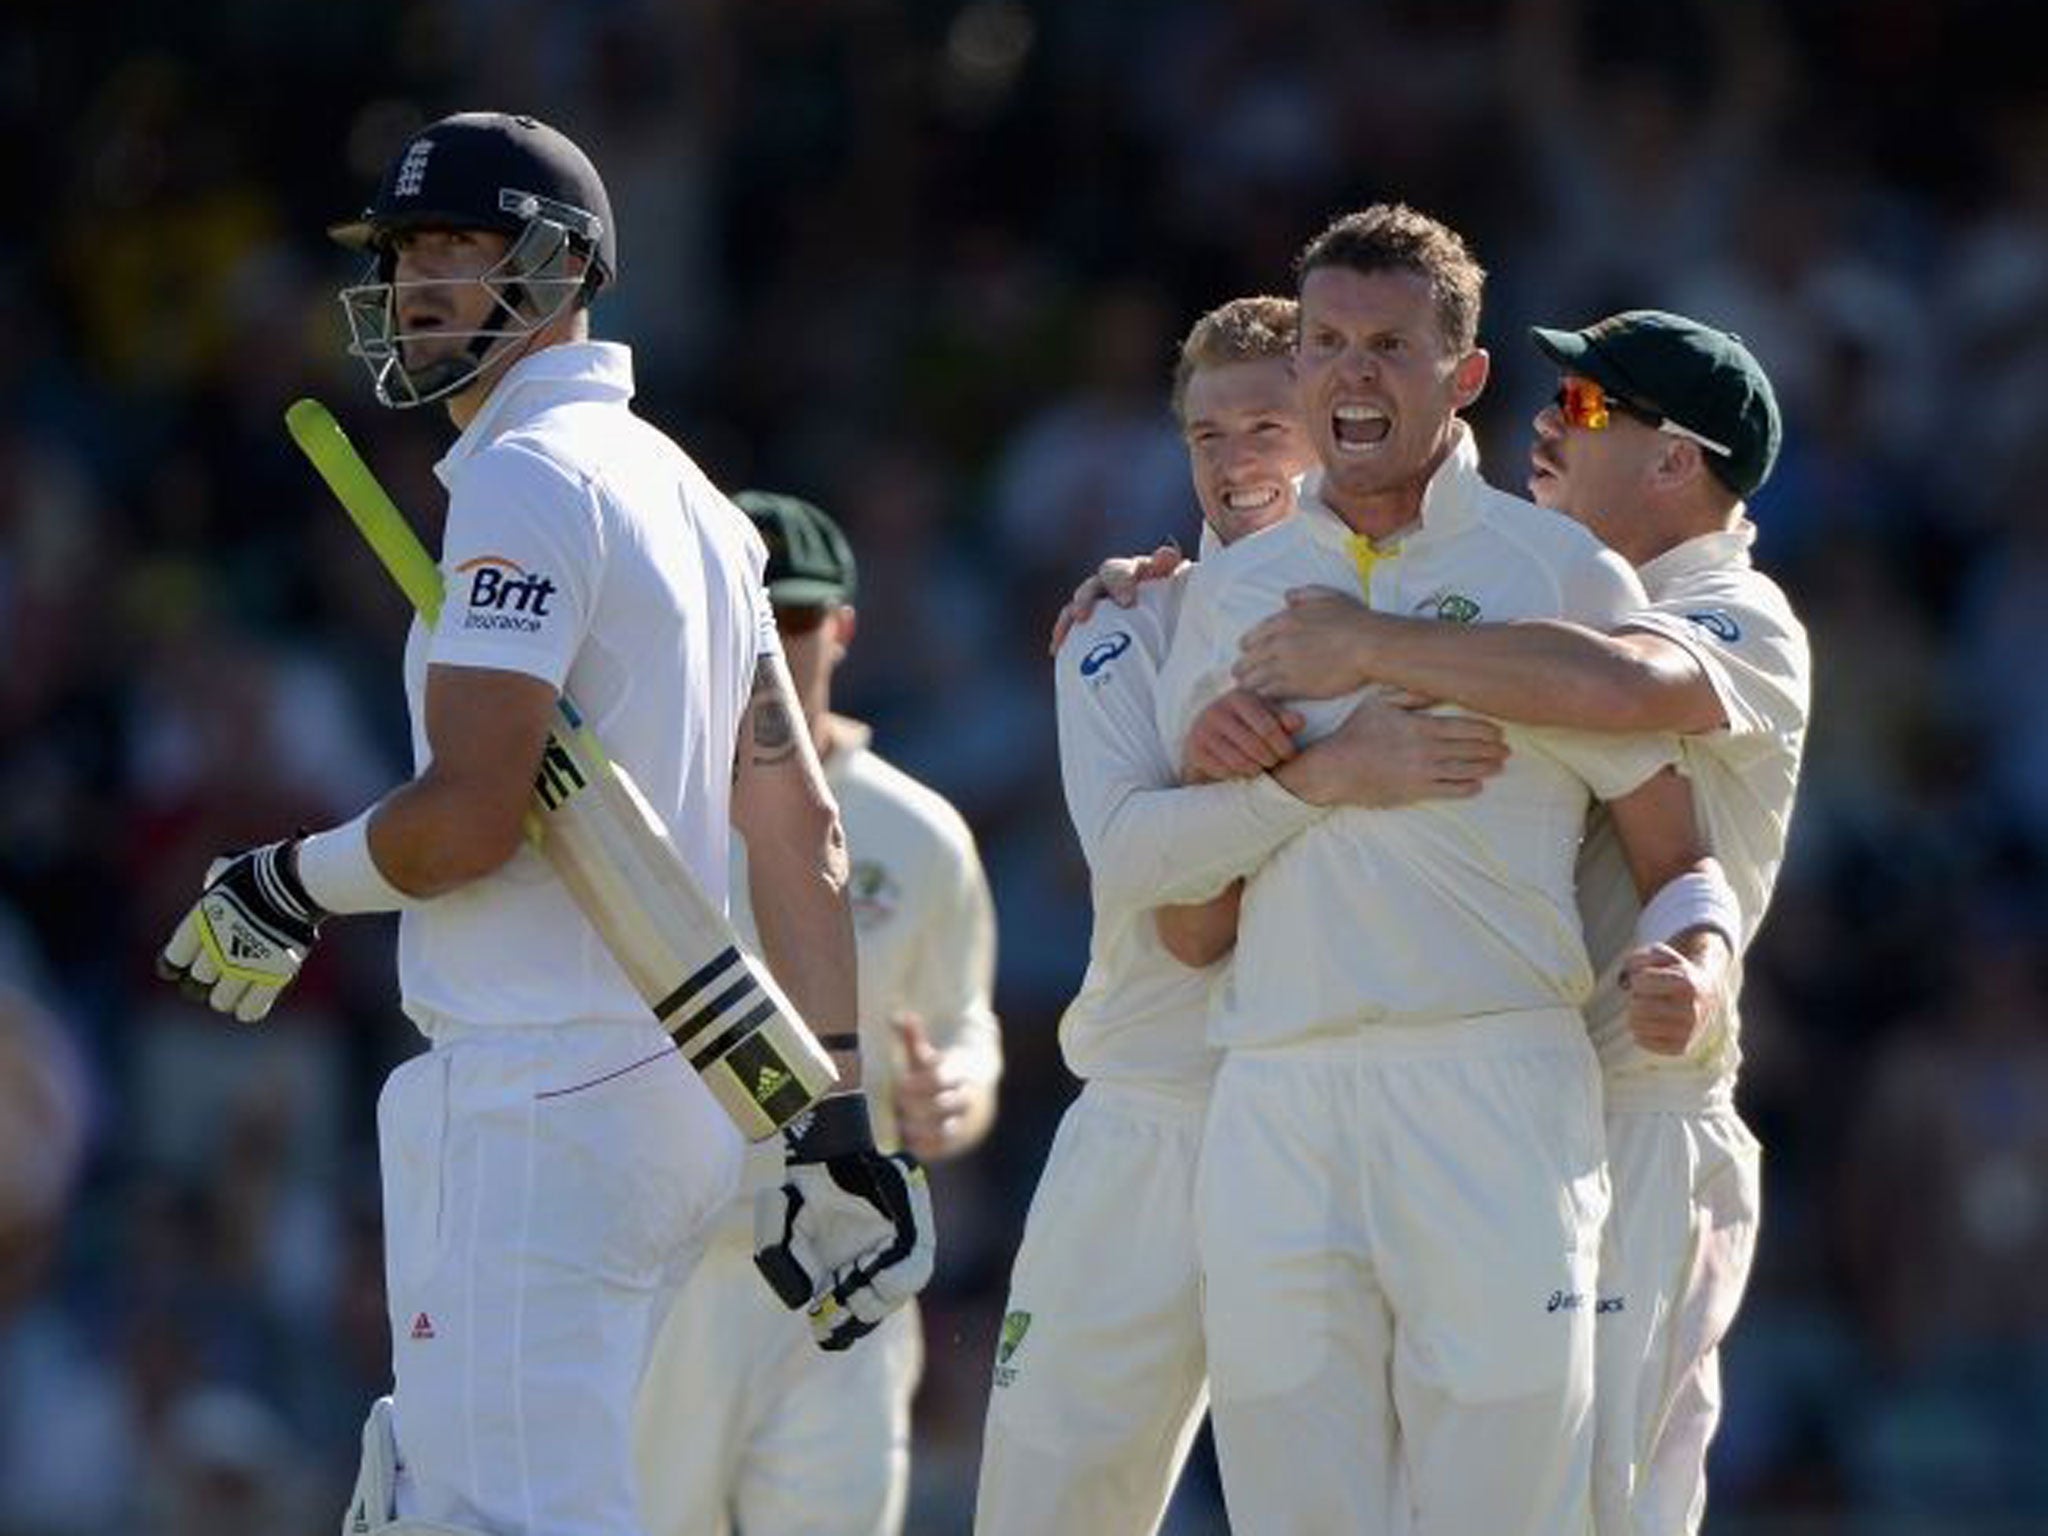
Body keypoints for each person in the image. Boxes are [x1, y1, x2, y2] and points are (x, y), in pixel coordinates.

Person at [155, 111, 931, 1536]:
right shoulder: (694, 498)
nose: (419, 283)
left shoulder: (527, 480)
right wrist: (829, 1112)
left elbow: (471, 820)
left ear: (564, 266)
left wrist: (287, 879)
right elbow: (800, 823)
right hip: (663, 1095)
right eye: (404, 253)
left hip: (544, 1092)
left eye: (461, 244)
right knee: (447, 1503)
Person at [1146, 208, 1740, 1536]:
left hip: (1495, 1099)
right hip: (1278, 1096)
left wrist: (1698, 969)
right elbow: (1190, 932)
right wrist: (1229, 790)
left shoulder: (1553, 570)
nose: (1352, 374)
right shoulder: (1231, 596)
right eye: (1326, 343)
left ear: (1463, 377)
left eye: (1391, 348)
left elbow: (1679, 857)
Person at [974, 295, 1510, 1536]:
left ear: (1335, 426)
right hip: (1147, 1111)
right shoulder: (1124, 625)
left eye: (1265, 426)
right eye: (1204, 437)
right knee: (1046, 1509)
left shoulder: (1424, 620)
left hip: (1336, 1112)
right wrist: (1319, 777)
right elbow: (1131, 856)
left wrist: (1252, 789)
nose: (1232, 465)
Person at [634, 489, 1001, 1536]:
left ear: (841, 625)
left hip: (846, 1265)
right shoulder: (641, 812)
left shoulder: (917, 833)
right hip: (675, 1263)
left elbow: (966, 1030)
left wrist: (955, 1096)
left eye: (791, 620)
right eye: (744, 614)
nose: (768, 644)